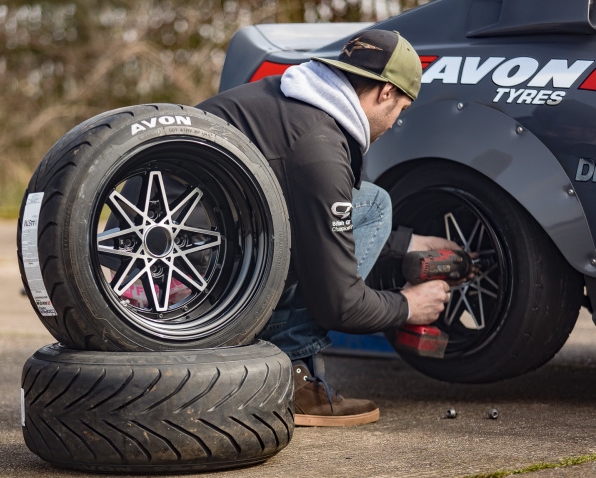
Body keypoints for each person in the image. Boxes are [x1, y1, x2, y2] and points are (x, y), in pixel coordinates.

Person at [196, 29, 459, 427]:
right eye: (400, 110)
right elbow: (339, 304)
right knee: (371, 206)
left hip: (173, 248)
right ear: (385, 93)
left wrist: (407, 244)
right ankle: (291, 375)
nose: (394, 123)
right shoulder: (319, 147)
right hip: (197, 280)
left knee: (370, 205)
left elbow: (309, 213)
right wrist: (408, 305)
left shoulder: (285, 102)